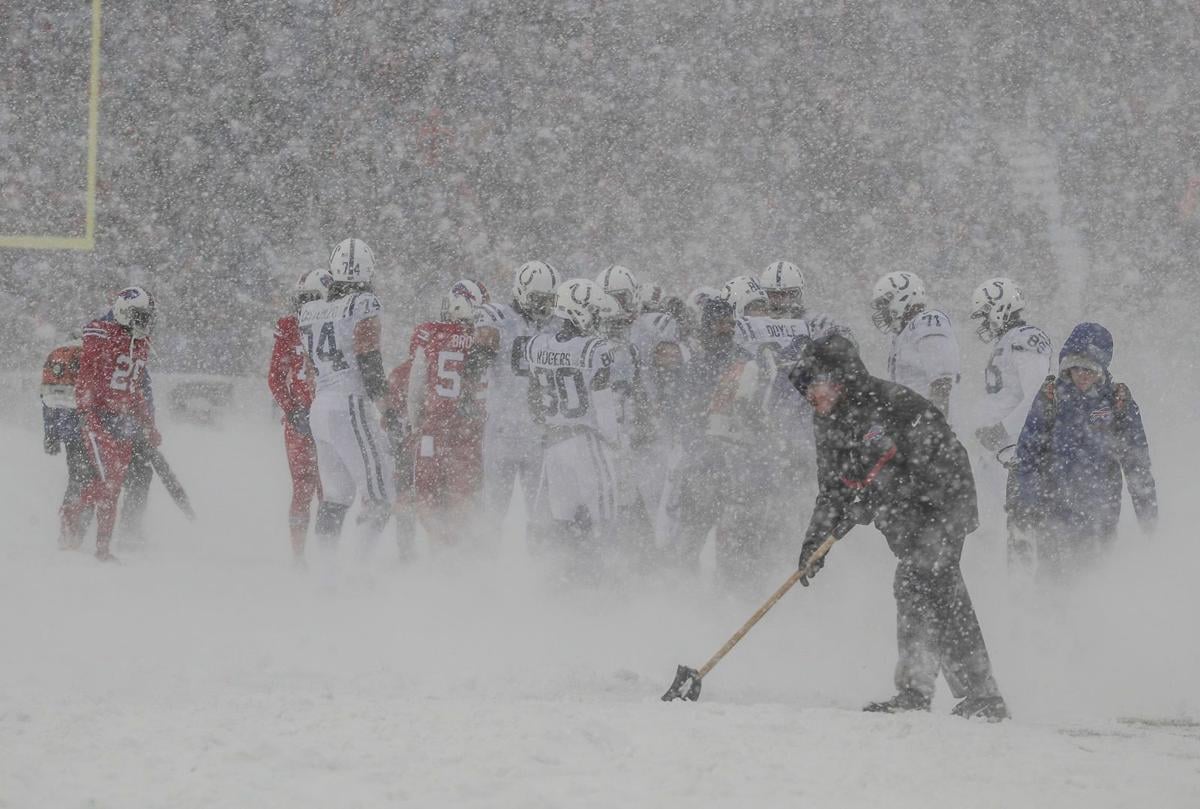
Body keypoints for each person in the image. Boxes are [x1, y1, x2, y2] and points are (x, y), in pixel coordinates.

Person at [791, 333, 1008, 720]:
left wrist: (881, 493)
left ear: (839, 378)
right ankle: (917, 691)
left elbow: (935, 462)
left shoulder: (894, 405)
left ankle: (982, 694)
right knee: (914, 587)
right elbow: (833, 490)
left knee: (934, 583)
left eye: (815, 386)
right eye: (805, 390)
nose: (811, 396)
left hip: (943, 503)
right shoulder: (827, 422)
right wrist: (814, 544)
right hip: (903, 519)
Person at [1011, 323, 1157, 582]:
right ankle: (1046, 620)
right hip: (1052, 512)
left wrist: (1148, 520)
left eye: (1089, 369)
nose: (1082, 374)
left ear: (1101, 370)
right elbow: (1027, 455)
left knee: (1096, 582)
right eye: (1075, 367)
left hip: (1100, 516)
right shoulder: (1050, 397)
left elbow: (1137, 464)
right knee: (1052, 585)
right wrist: (1024, 507)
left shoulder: (1117, 401)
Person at [299, 238, 405, 562]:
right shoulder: (364, 304)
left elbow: (309, 368)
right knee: (382, 495)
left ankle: (326, 575)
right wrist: (388, 409)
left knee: (335, 497)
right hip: (349, 403)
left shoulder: (309, 310)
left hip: (321, 407)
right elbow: (369, 361)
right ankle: (359, 571)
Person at [525, 278, 623, 579]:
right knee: (604, 518)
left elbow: (534, 401)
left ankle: (564, 581)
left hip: (555, 445)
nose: (597, 318)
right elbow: (603, 402)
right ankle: (608, 581)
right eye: (592, 311)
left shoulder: (537, 344)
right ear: (578, 310)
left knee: (563, 523)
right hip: (586, 440)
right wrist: (613, 439)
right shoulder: (595, 348)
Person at [66, 287, 161, 562]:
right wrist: (86, 410)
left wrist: (149, 424)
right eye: (139, 316)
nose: (144, 323)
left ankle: (102, 549)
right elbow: (86, 375)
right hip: (98, 416)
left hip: (123, 420)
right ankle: (73, 510)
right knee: (108, 482)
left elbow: (136, 389)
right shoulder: (102, 332)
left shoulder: (140, 344)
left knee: (115, 486)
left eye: (147, 317)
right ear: (124, 311)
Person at [966, 278, 1052, 568]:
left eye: (984, 314)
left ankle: (1023, 592)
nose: (983, 324)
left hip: (1014, 453)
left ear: (1000, 308)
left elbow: (1038, 394)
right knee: (987, 526)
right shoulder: (1006, 342)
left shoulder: (1025, 337)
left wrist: (1003, 432)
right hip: (997, 452)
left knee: (1017, 526)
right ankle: (997, 582)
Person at [470, 260, 560, 524]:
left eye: (549, 300)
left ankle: (540, 563)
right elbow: (473, 366)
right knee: (494, 512)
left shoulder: (557, 324)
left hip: (538, 434)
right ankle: (484, 563)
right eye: (538, 299)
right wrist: (482, 346)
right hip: (504, 431)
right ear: (520, 291)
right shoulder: (498, 319)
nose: (544, 306)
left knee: (543, 514)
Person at [405, 279, 488, 548]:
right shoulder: (482, 340)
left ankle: (438, 548)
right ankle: (455, 552)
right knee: (463, 498)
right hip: (467, 431)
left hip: (433, 428)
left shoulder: (429, 333)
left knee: (427, 497)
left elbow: (415, 385)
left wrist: (417, 422)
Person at [268, 269, 330, 562]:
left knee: (330, 492)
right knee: (304, 488)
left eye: (310, 299)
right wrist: (293, 410)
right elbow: (275, 377)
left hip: (329, 419)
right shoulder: (290, 328)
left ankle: (327, 555)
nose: (304, 307)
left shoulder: (336, 325)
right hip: (302, 420)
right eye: (301, 300)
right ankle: (300, 557)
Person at [870, 271, 960, 418]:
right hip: (910, 425)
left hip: (927, 427)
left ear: (901, 299)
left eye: (883, 304)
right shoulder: (899, 335)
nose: (881, 311)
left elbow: (942, 382)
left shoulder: (927, 321)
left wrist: (934, 426)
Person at [41, 335, 92, 548]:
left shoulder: (56, 358)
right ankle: (79, 532)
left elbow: (47, 401)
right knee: (94, 483)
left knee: (77, 479)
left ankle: (68, 532)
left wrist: (51, 435)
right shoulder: (90, 356)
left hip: (69, 432)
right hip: (92, 431)